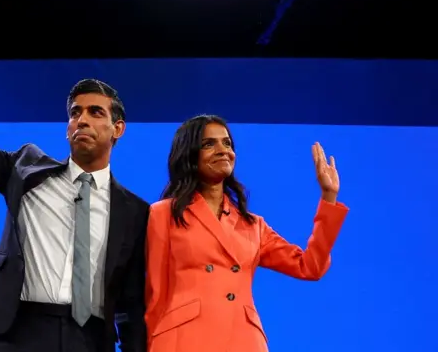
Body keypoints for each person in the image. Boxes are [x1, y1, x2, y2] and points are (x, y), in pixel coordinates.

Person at [0, 0, 149, 352]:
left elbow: (131, 305)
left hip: (92, 340)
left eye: (95, 112)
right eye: (74, 113)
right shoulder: (25, 170)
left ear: (118, 129)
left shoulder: (135, 212)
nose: (81, 120)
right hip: (23, 334)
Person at [144, 115, 349, 352]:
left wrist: (328, 197)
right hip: (183, 339)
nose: (223, 151)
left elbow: (310, 266)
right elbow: (155, 296)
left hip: (243, 340)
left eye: (227, 143)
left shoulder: (253, 225)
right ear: (189, 154)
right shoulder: (164, 214)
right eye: (209, 144)